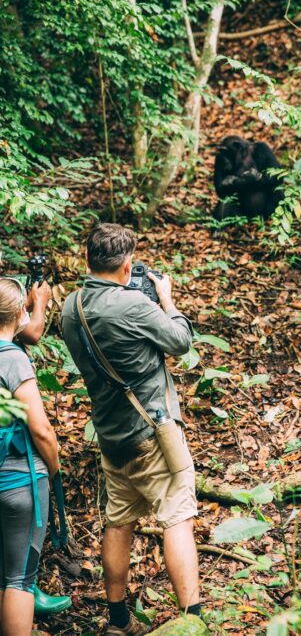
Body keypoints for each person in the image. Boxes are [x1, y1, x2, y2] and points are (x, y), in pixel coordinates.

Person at [61, 223, 200, 636]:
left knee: (119, 522)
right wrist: (167, 301)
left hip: (111, 435)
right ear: (126, 267)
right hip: (153, 434)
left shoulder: (72, 307)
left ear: (87, 260)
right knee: (177, 517)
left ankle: (118, 619)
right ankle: (192, 621)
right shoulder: (133, 306)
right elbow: (180, 341)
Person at [0, 278, 61, 636]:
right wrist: (54, 469)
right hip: (20, 479)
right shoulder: (13, 360)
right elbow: (41, 430)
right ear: (20, 312)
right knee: (20, 580)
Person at [13, 277, 72, 616]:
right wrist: (41, 301)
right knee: (18, 569)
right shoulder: (12, 358)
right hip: (16, 465)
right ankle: (23, 594)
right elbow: (31, 333)